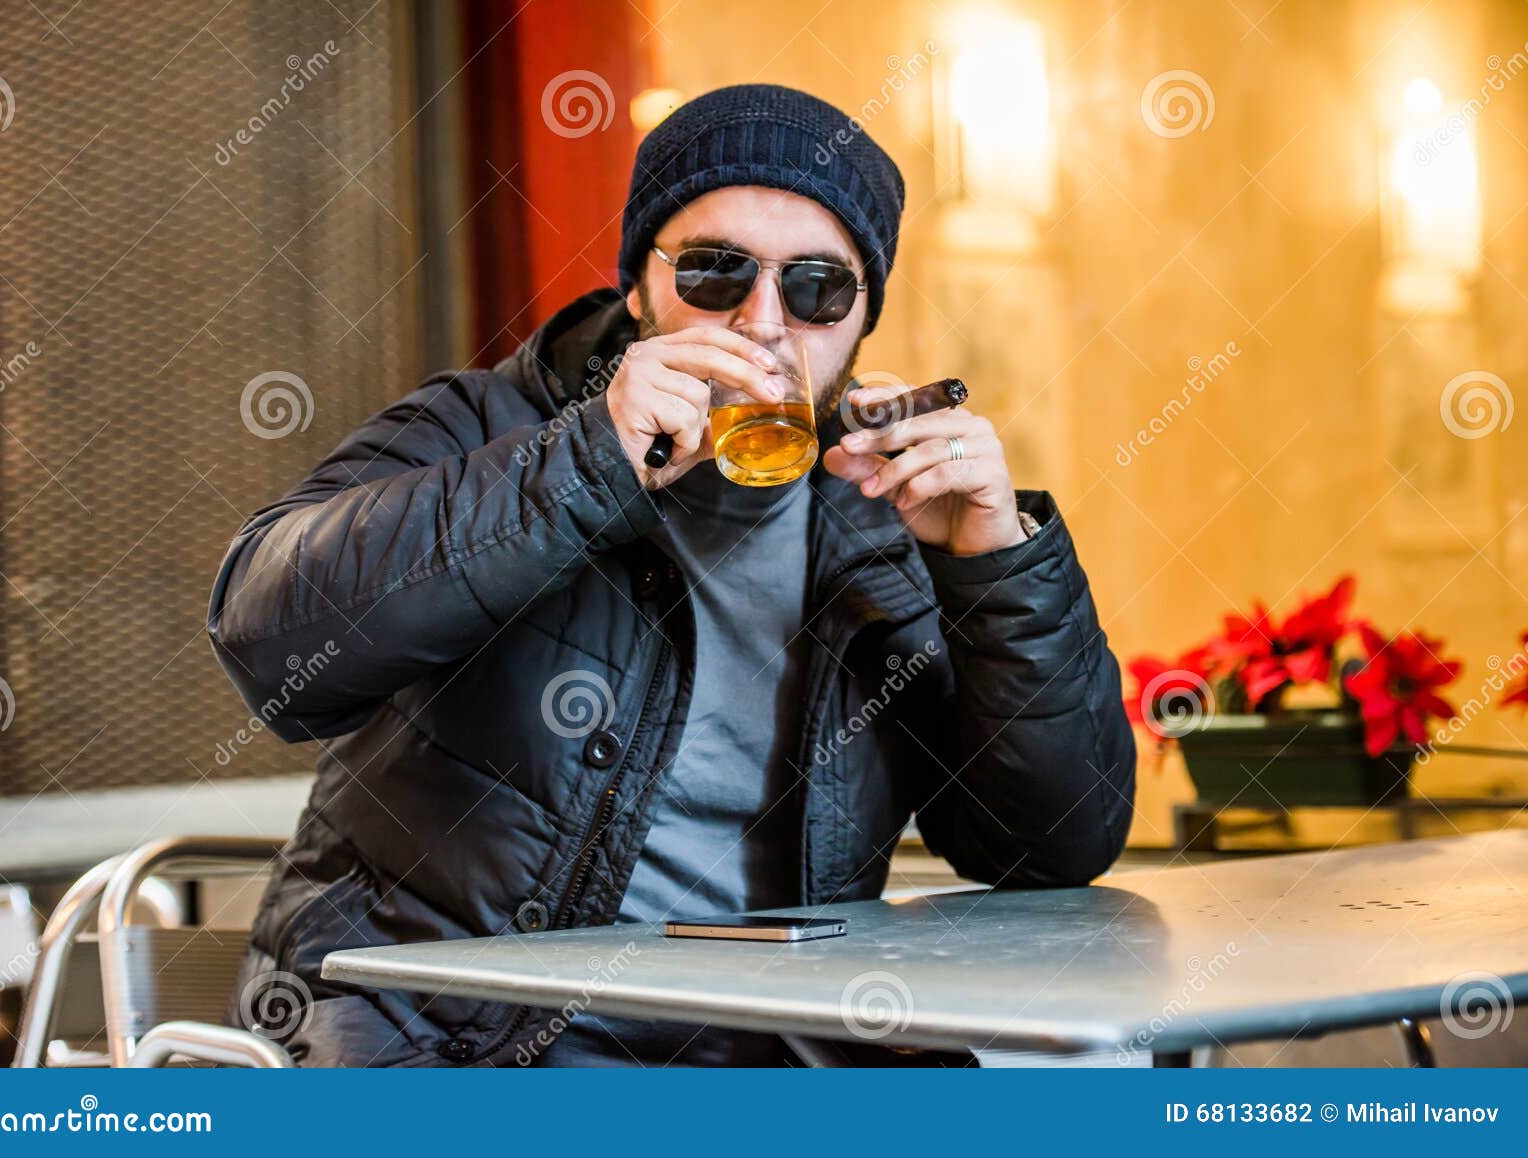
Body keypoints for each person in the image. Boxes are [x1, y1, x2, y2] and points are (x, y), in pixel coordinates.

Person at [208, 83, 1136, 1067]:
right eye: (713, 271)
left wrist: (994, 568)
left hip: (780, 1061)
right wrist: (589, 460)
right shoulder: (487, 428)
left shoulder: (888, 515)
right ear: (640, 290)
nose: (763, 321)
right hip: (468, 1052)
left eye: (817, 286)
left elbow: (1049, 852)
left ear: (860, 321)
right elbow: (268, 644)